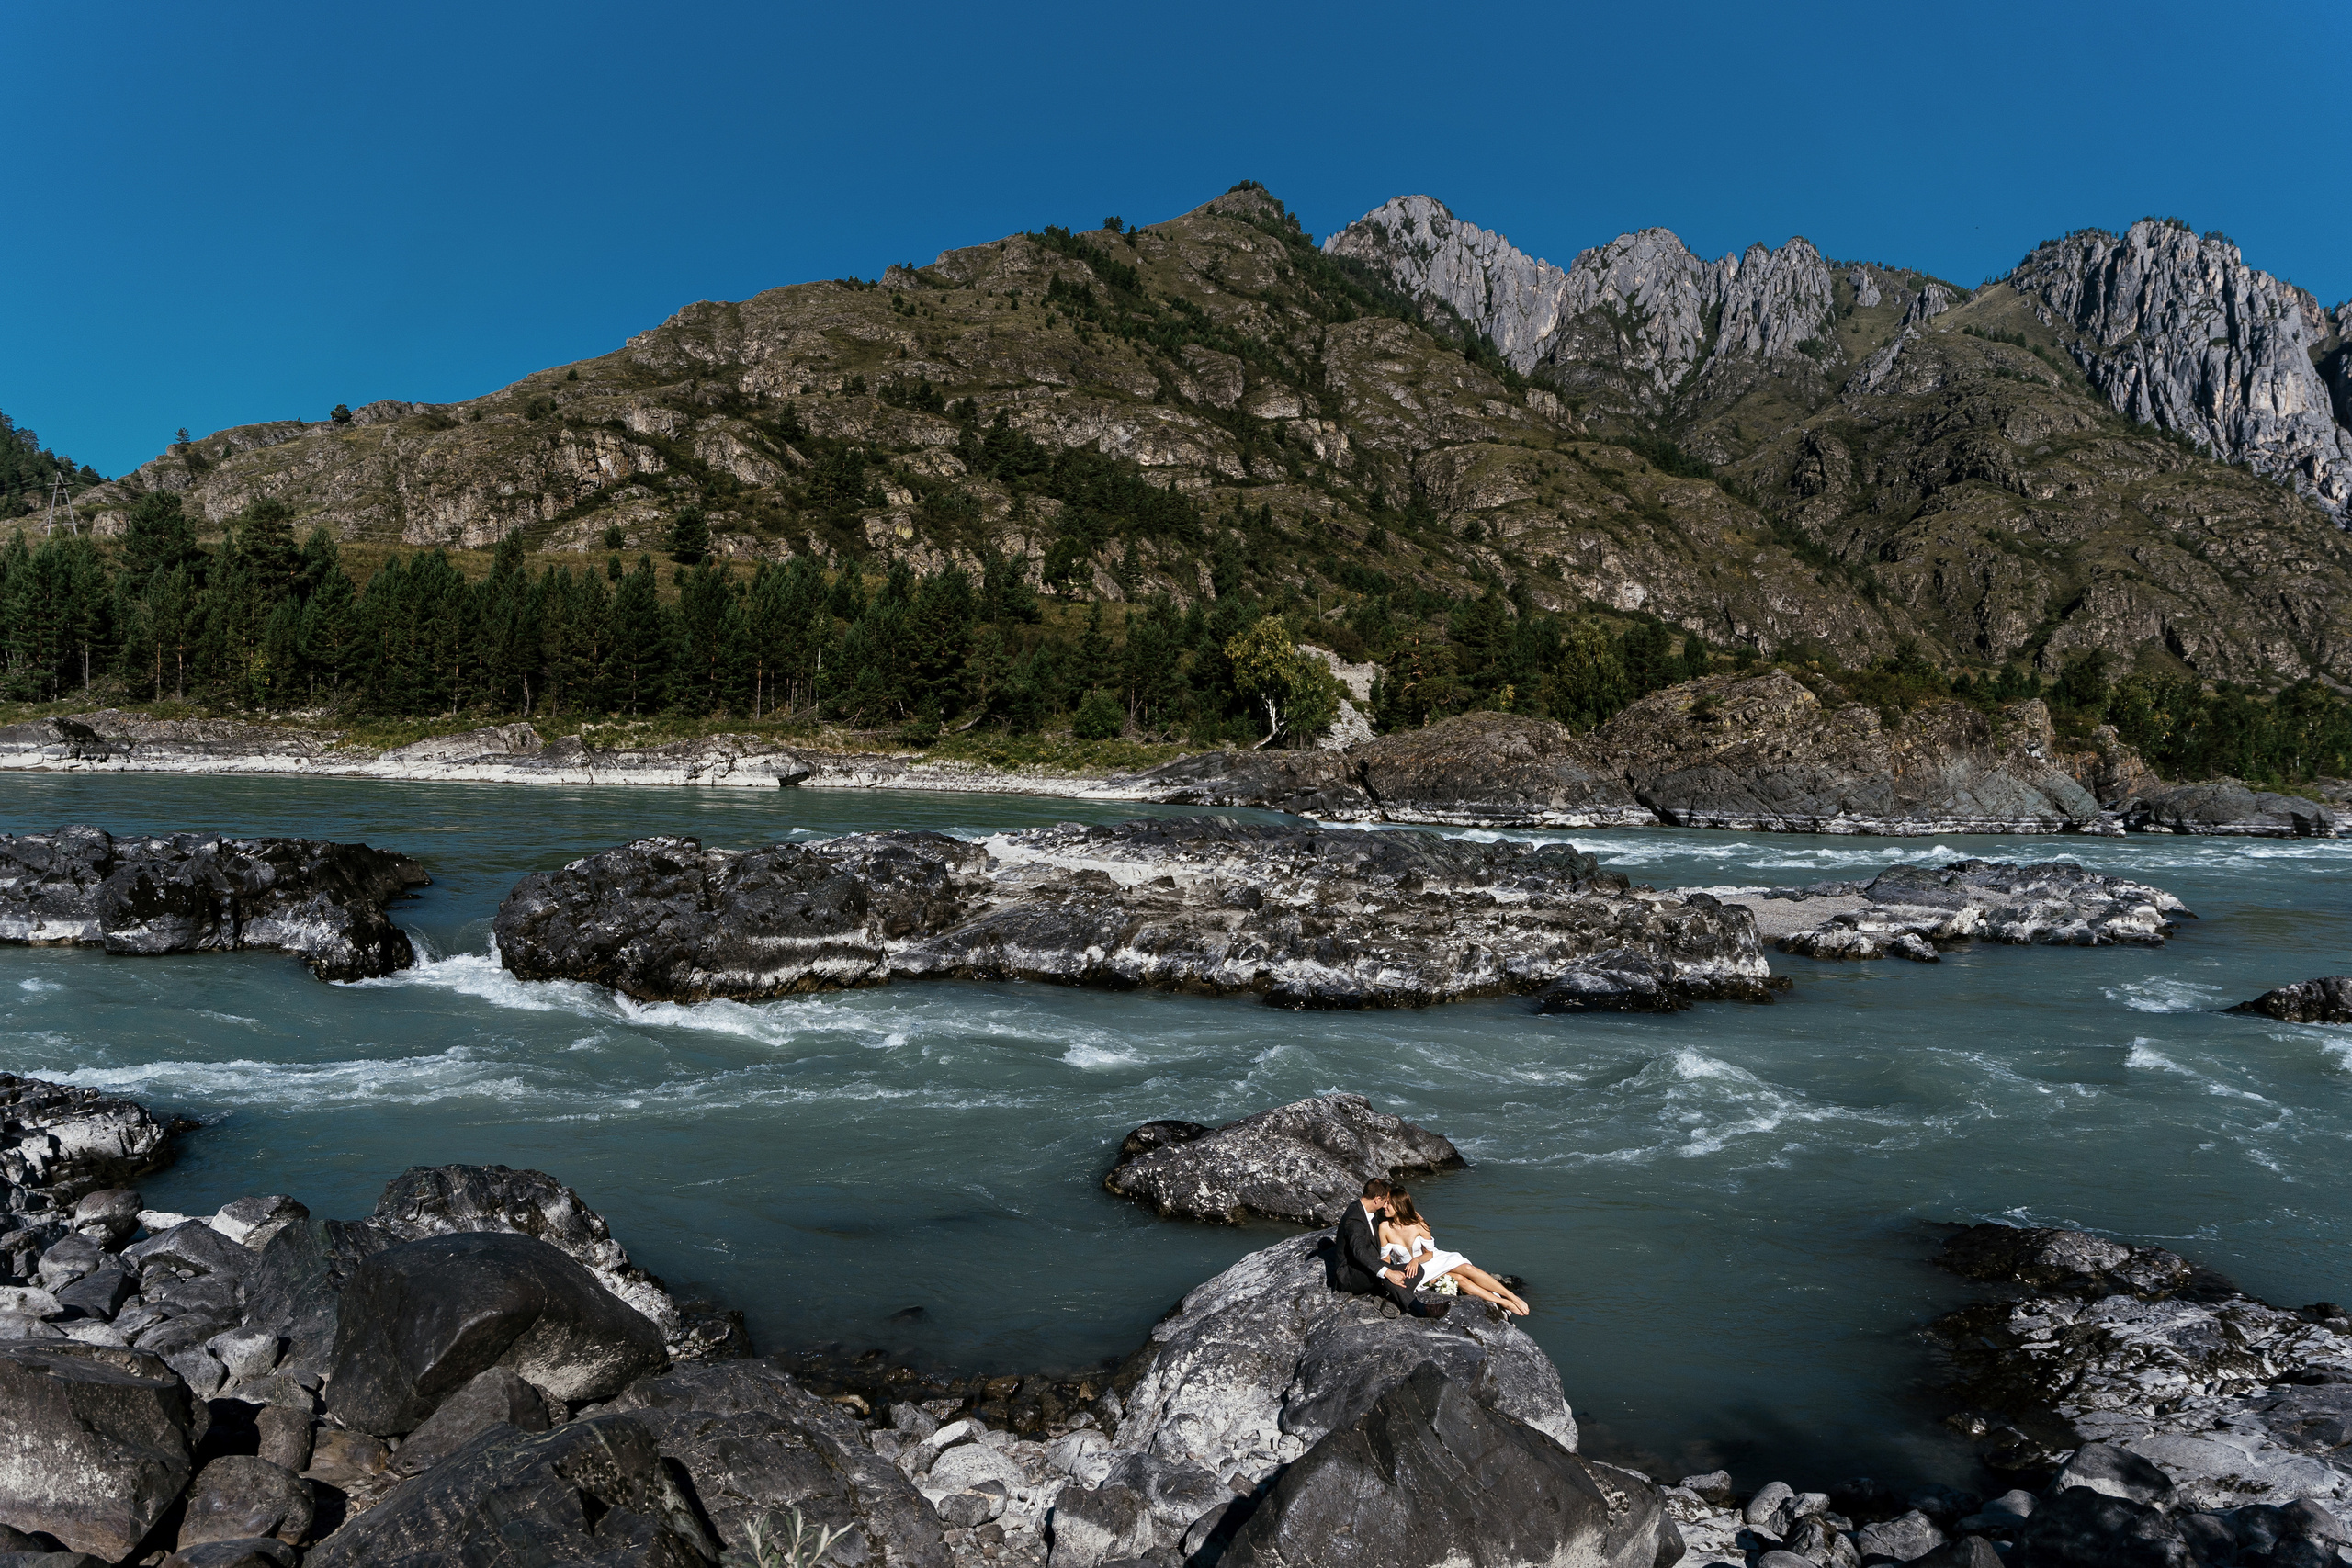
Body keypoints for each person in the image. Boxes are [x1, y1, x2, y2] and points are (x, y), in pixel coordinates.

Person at [1381, 1189, 1530, 1316]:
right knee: (1460, 1279)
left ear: (1398, 1206)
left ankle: (1512, 1296)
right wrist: (1389, 1274)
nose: (1384, 1206)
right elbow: (1386, 1259)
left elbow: (1429, 1254)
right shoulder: (1384, 1227)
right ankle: (1502, 1302)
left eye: (1388, 1203)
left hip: (1429, 1260)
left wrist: (1416, 1260)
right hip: (1414, 1272)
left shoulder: (1419, 1224)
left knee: (1467, 1268)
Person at [1332, 1178, 1449, 1319]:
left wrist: (1411, 1214)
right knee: (1388, 1277)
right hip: (1351, 1275)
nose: (1384, 1206)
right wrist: (1387, 1272)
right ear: (1377, 1199)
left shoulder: (1364, 1210)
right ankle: (1421, 1308)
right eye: (1384, 1201)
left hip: (1368, 1264)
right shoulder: (1355, 1219)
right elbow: (1359, 1252)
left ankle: (1392, 1301)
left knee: (1417, 1270)